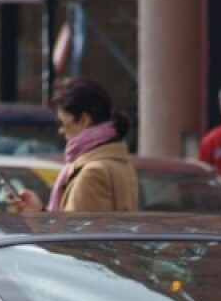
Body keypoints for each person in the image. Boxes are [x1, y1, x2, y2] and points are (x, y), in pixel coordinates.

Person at [11, 77, 138, 213]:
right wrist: (40, 212)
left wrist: (39, 218)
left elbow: (74, 232)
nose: (60, 131)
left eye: (62, 123)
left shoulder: (93, 173)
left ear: (84, 120)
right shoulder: (118, 162)